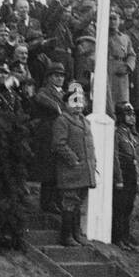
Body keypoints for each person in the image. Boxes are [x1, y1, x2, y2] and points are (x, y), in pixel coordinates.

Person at [52, 83, 96, 247]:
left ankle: (76, 233)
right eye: (74, 101)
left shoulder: (85, 121)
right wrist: (73, 160)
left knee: (79, 202)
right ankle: (66, 235)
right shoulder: (62, 120)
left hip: (85, 170)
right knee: (69, 201)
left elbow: (90, 145)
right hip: (70, 170)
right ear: (66, 103)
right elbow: (59, 144)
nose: (78, 105)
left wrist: (93, 162)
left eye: (81, 101)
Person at [29, 63, 67, 213]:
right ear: (49, 78)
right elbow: (40, 99)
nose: (59, 78)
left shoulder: (65, 93)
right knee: (48, 170)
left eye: (61, 76)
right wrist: (58, 108)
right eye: (56, 75)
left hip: (60, 133)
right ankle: (47, 202)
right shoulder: (45, 91)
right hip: (48, 133)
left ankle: (56, 201)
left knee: (58, 169)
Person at [112, 102, 139, 250]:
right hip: (123, 173)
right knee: (120, 207)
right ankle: (118, 238)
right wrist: (118, 178)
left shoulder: (128, 134)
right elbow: (115, 157)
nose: (132, 118)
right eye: (128, 114)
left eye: (133, 114)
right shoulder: (117, 133)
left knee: (128, 207)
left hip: (131, 173)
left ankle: (125, 237)